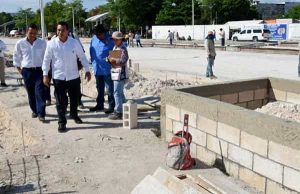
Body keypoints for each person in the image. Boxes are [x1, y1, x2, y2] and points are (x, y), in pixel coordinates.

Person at [42, 21, 91, 133]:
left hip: (73, 76)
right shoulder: (51, 44)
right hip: (59, 77)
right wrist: (45, 74)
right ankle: (61, 122)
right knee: (60, 101)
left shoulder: (74, 43)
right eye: (58, 30)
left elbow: (82, 57)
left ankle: (74, 115)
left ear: (68, 31)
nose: (60, 32)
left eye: (63, 30)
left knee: (74, 99)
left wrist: (88, 70)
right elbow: (46, 60)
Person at [13, 24, 47, 121]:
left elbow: (46, 57)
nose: (32, 35)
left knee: (40, 92)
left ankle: (41, 113)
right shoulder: (20, 43)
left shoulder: (42, 43)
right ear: (26, 32)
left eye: (35, 33)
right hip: (27, 71)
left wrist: (46, 71)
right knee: (31, 92)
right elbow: (16, 56)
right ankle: (35, 110)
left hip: (39, 71)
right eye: (30, 33)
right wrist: (20, 70)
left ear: (37, 32)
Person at [89, 24, 115, 114]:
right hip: (97, 68)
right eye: (97, 34)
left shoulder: (111, 40)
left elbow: (117, 52)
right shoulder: (93, 39)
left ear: (105, 33)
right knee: (99, 88)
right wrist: (92, 61)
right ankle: (100, 104)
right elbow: (91, 50)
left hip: (108, 69)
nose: (98, 36)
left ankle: (112, 106)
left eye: (100, 34)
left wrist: (112, 60)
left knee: (110, 89)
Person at [107, 31, 129, 120]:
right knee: (120, 93)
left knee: (116, 93)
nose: (114, 41)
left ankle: (118, 112)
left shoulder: (123, 49)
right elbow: (110, 57)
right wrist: (109, 59)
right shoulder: (116, 47)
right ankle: (125, 109)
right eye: (113, 39)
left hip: (120, 74)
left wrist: (113, 61)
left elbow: (123, 60)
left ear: (120, 39)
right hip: (116, 72)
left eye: (116, 39)